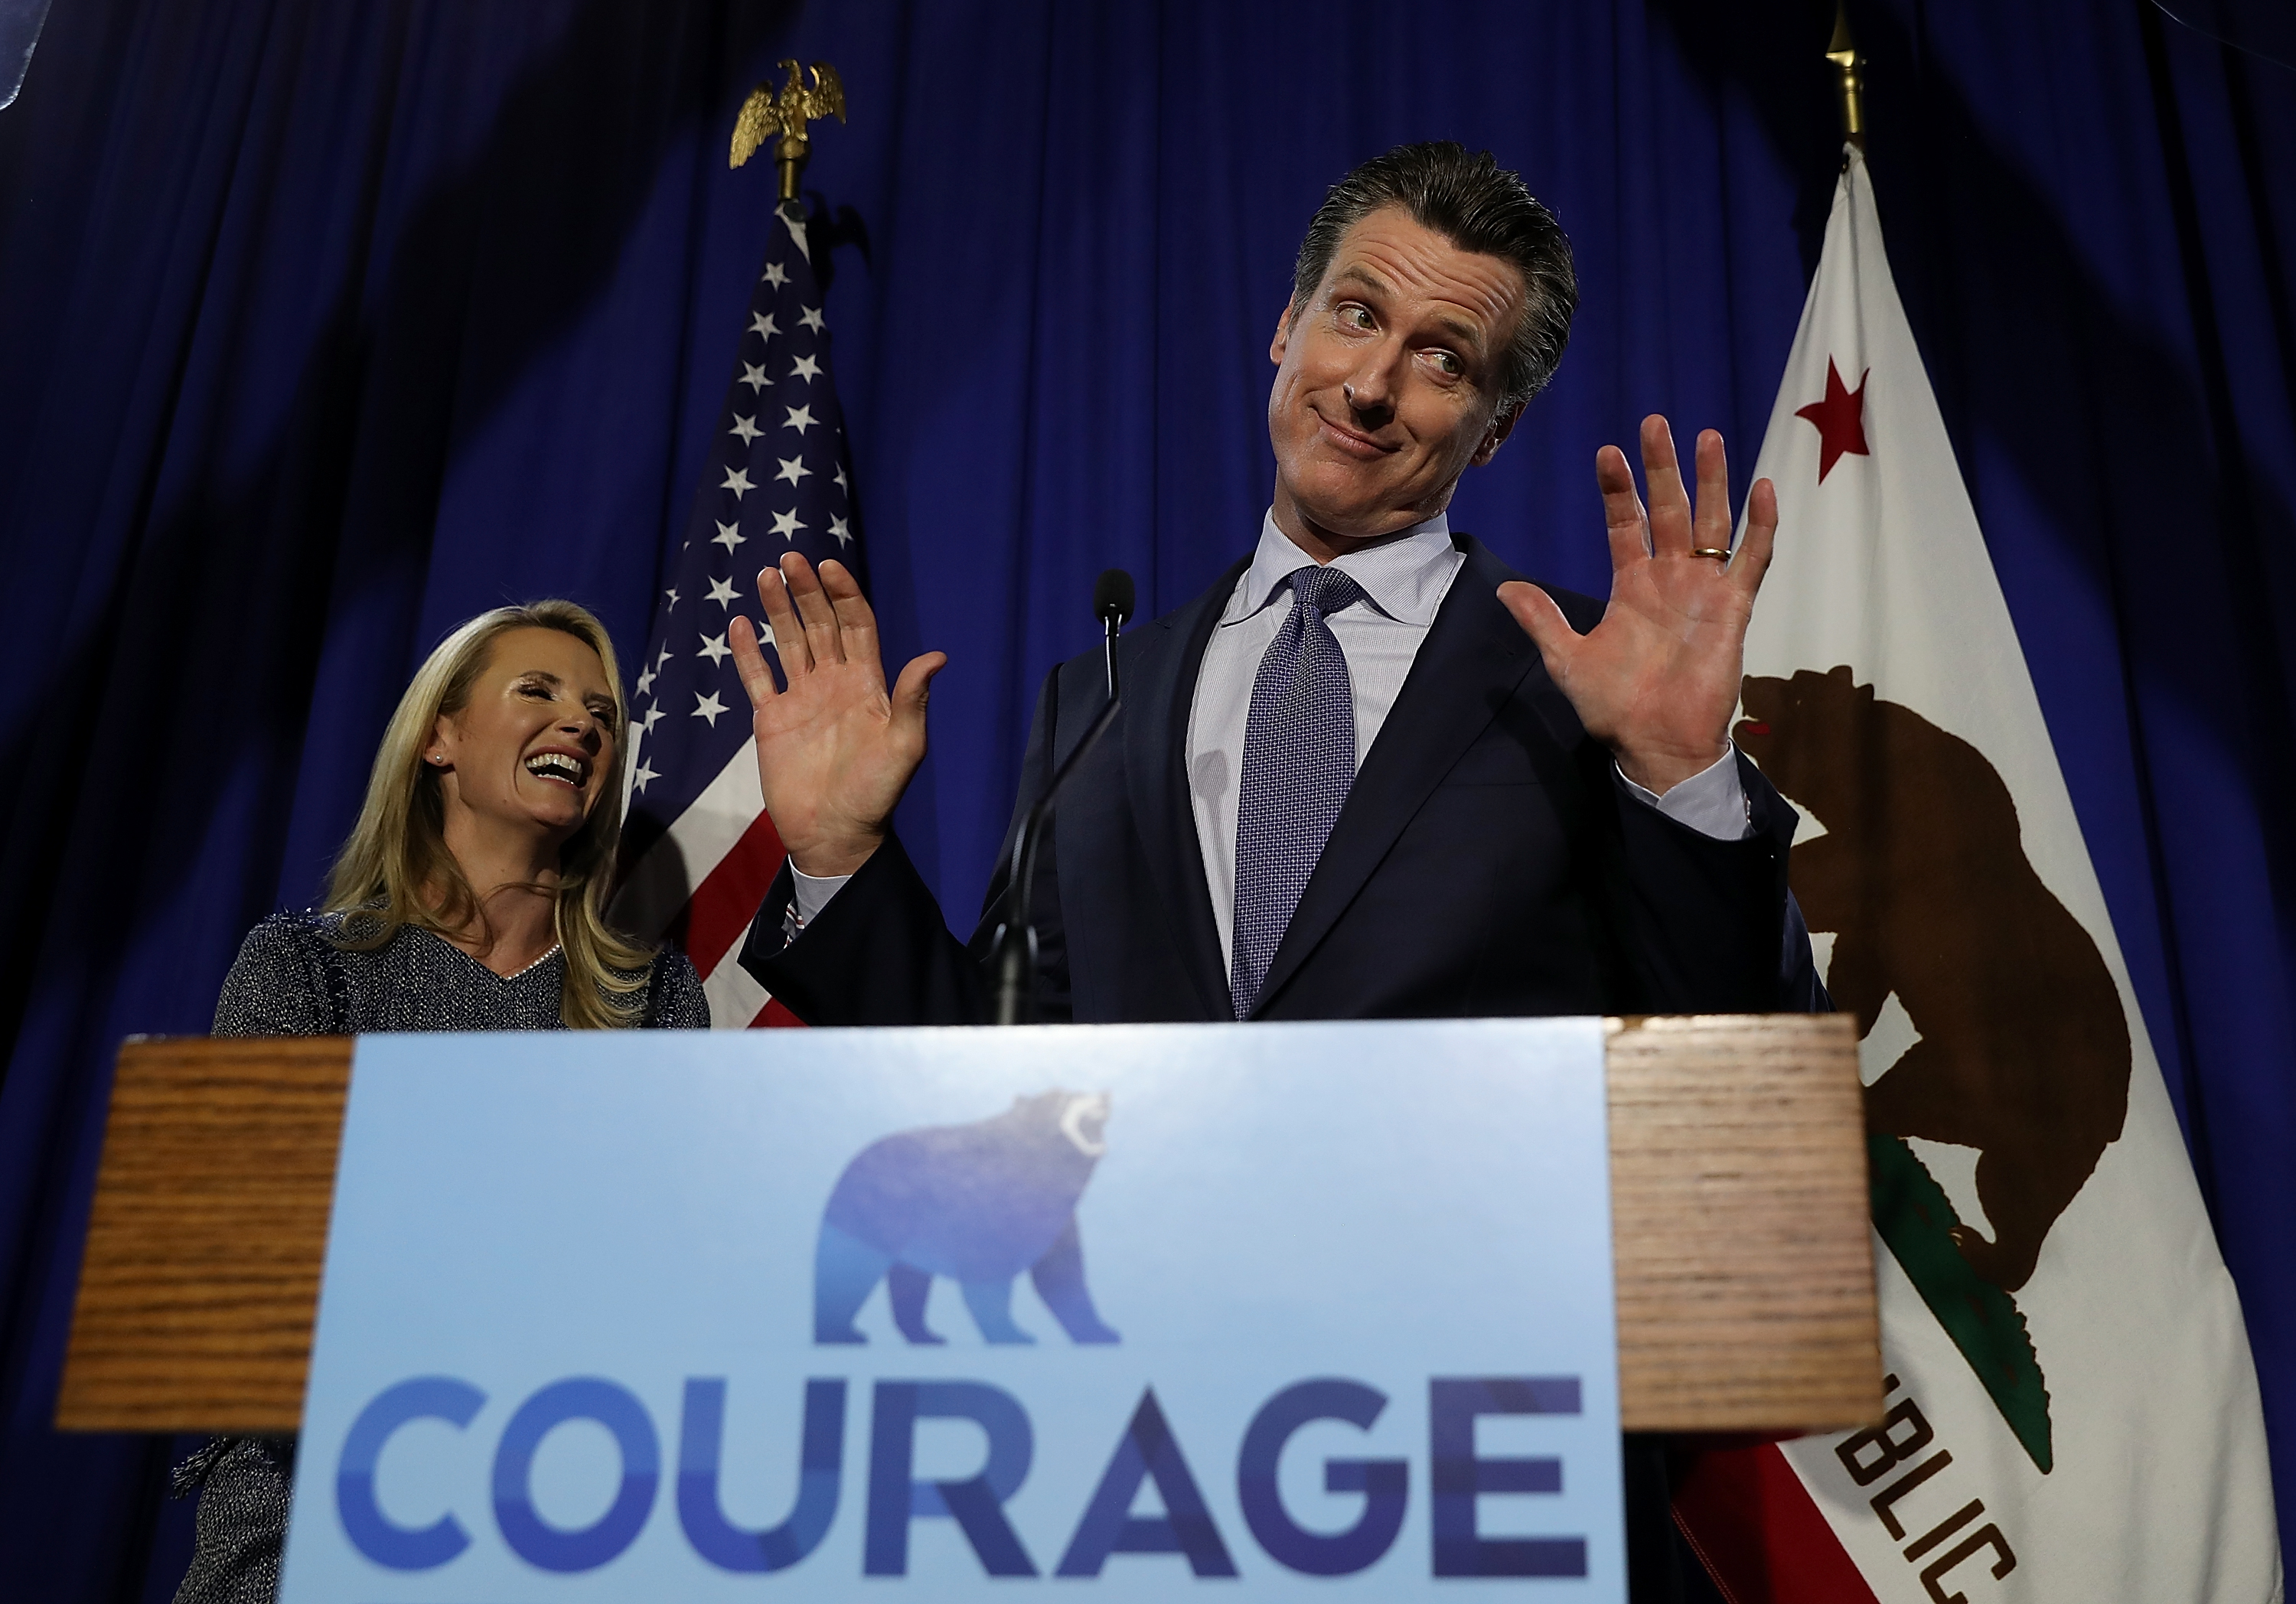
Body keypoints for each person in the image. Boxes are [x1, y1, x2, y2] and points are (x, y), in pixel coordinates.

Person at [725, 142, 1818, 1602]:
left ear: (1492, 432)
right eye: (1356, 316)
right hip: (1147, 1467)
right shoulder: (1101, 692)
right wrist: (842, 860)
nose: (1373, 385)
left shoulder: (1585, 676)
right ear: (1283, 330)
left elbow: (1746, 1081)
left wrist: (1681, 778)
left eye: (1443, 358)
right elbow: (1005, 1099)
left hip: (1484, 1473)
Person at [172, 600, 708, 1604]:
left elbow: (662, 1294)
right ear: (439, 738)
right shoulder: (305, 966)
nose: (583, 724)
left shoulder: (655, 1001)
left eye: (601, 712)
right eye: (537, 692)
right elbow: (242, 1289)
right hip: (307, 1521)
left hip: (564, 1526)